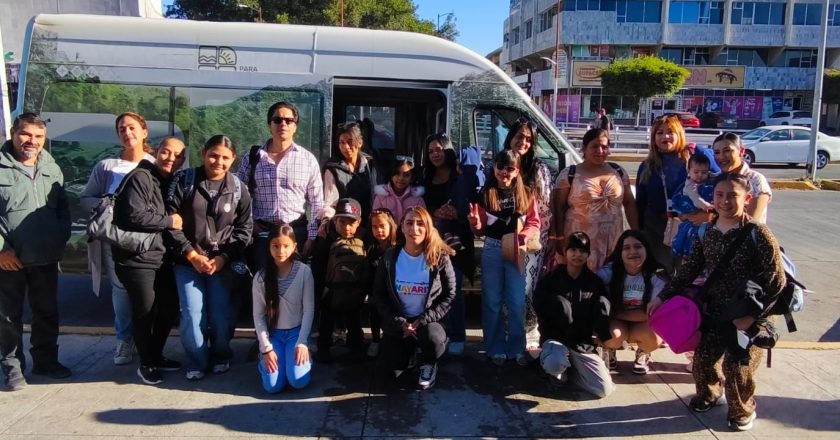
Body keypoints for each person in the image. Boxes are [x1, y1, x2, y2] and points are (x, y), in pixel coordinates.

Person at [649, 173, 786, 432]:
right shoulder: (705, 232)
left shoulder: (758, 234)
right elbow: (688, 272)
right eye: (720, 195)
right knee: (702, 362)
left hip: (750, 313)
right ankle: (711, 395)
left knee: (735, 366)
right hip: (716, 311)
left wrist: (753, 319)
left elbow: (776, 283)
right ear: (712, 198)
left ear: (746, 199)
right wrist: (661, 297)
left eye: (732, 196)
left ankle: (743, 408)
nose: (725, 201)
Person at [166, 135, 253, 380]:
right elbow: (170, 223)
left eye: (225, 158)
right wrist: (191, 255)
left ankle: (222, 354)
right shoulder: (184, 181)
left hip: (221, 263)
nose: (219, 161)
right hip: (188, 261)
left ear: (233, 159)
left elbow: (245, 230)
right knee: (193, 314)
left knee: (220, 314)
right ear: (204, 153)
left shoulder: (238, 188)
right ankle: (197, 360)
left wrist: (224, 258)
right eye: (214, 155)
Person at [0, 113, 72, 391]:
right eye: (26, 134)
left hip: (45, 256)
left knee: (47, 311)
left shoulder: (51, 168)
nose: (32, 141)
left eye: (38, 137)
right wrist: (2, 251)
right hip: (10, 260)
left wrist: (60, 237)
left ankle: (46, 361)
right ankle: (12, 366)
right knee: (9, 316)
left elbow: (63, 208)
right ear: (13, 133)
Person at [81, 112, 156, 366]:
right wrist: (106, 205)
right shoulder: (106, 167)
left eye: (132, 128)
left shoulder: (155, 165)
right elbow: (86, 198)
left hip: (147, 240)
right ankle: (124, 340)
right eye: (122, 129)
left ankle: (148, 339)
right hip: (115, 239)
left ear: (144, 132)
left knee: (148, 292)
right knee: (121, 290)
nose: (127, 133)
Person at [112, 137, 186, 385]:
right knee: (144, 311)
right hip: (136, 258)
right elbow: (133, 215)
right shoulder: (140, 177)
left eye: (177, 155)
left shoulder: (166, 181)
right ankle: (147, 363)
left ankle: (155, 354)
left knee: (168, 307)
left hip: (159, 256)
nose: (170, 158)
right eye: (166, 152)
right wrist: (170, 221)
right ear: (157, 152)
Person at [468, 150, 540, 366]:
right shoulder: (484, 194)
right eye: (501, 167)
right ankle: (495, 346)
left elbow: (534, 222)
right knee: (492, 301)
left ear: (517, 171)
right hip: (492, 248)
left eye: (510, 168)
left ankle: (516, 347)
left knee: (517, 301)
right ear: (494, 168)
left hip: (517, 248)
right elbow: (479, 231)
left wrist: (524, 236)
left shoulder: (526, 193)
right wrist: (474, 223)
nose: (504, 172)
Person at [372, 206, 456, 390]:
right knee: (388, 369)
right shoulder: (390, 256)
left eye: (420, 224)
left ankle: (429, 362)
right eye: (409, 223)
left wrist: (423, 320)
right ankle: (409, 351)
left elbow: (450, 295)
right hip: (400, 322)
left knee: (433, 340)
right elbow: (379, 295)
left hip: (427, 322)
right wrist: (399, 322)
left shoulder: (439, 256)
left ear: (428, 228)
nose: (414, 229)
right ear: (401, 227)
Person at [236, 101, 324, 269]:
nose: (283, 124)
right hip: (262, 235)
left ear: (295, 126)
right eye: (277, 120)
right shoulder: (254, 157)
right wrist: (249, 223)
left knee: (293, 287)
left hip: (295, 233)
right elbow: (238, 194)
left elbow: (317, 201)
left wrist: (311, 237)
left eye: (288, 120)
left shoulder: (307, 159)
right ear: (270, 125)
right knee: (262, 286)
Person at [533, 232, 614, 398]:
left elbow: (602, 314)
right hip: (555, 339)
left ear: (588, 254)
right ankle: (554, 369)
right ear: (565, 251)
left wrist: (602, 334)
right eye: (573, 250)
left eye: (582, 251)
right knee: (555, 363)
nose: (577, 255)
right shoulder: (551, 280)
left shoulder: (594, 282)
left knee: (603, 389)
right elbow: (538, 307)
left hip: (582, 344)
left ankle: (573, 372)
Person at [635, 115, 719, 274]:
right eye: (659, 133)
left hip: (694, 224)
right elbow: (640, 202)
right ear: (653, 138)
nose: (665, 136)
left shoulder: (696, 154)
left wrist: (710, 215)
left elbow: (721, 185)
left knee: (690, 273)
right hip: (658, 229)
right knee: (663, 275)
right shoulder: (646, 166)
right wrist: (639, 233)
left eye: (670, 132)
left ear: (679, 133)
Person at [422, 133, 478, 355]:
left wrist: (458, 213)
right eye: (431, 151)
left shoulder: (461, 176)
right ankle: (436, 333)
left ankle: (457, 335)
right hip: (432, 240)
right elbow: (418, 204)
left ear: (448, 150)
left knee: (452, 288)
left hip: (456, 241)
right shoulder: (425, 176)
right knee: (431, 289)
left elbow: (474, 202)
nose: (435, 154)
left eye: (439, 149)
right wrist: (435, 212)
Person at [552, 128, 638, 272]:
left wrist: (636, 234)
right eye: (595, 146)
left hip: (612, 241)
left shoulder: (619, 172)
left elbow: (629, 203)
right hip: (578, 242)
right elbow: (558, 208)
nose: (600, 151)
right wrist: (558, 238)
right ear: (584, 148)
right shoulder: (569, 174)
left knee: (610, 282)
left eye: (604, 147)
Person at [502, 118, 553, 355]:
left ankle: (528, 336)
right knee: (505, 288)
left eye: (528, 139)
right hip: (503, 238)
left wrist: (538, 237)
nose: (523, 142)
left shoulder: (538, 169)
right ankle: (507, 336)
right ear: (510, 136)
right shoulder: (501, 162)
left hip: (531, 241)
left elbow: (545, 208)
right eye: (519, 136)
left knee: (526, 289)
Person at [253, 224, 314, 393]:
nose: (281, 251)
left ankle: (307, 358)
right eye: (276, 246)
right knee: (273, 386)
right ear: (269, 247)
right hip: (274, 335)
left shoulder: (304, 272)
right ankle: (264, 363)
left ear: (294, 246)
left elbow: (309, 310)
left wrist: (302, 342)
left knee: (297, 381)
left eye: (286, 246)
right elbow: (258, 316)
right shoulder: (260, 277)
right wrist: (266, 349)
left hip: (296, 333)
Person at [597, 230, 667, 375]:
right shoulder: (608, 271)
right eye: (627, 248)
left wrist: (616, 312)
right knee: (613, 336)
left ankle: (644, 352)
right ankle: (610, 350)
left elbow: (652, 313)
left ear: (646, 249)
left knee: (654, 339)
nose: (633, 251)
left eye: (638, 246)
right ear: (620, 252)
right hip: (616, 322)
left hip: (640, 322)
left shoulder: (657, 273)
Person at [312, 198, 369, 362]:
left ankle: (356, 348)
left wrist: (364, 289)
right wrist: (320, 288)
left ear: (358, 222)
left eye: (351, 223)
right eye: (342, 222)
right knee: (327, 320)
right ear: (334, 220)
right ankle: (323, 348)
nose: (346, 227)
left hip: (354, 290)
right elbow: (318, 264)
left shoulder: (364, 237)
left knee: (353, 319)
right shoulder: (325, 236)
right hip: (331, 289)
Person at [322, 121, 378, 223]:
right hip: (344, 225)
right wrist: (326, 221)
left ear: (360, 142)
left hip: (367, 224)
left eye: (350, 141)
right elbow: (329, 203)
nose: (346, 147)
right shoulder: (333, 168)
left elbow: (375, 196)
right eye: (342, 142)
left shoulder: (369, 164)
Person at [711, 132, 771, 224]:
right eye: (717, 152)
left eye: (727, 151)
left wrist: (710, 218)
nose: (721, 157)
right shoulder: (714, 179)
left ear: (741, 151)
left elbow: (751, 221)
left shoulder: (755, 180)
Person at [366, 208, 398, 357]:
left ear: (390, 226)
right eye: (374, 227)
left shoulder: (397, 247)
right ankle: (375, 340)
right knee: (374, 309)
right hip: (375, 290)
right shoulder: (371, 247)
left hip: (394, 290)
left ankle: (390, 339)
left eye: (382, 226)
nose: (379, 230)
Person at [670, 153, 716, 258]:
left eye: (704, 172)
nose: (700, 175)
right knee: (690, 237)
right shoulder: (689, 185)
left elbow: (715, 175)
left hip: (706, 221)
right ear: (689, 171)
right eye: (696, 172)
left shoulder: (709, 180)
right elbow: (695, 198)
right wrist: (706, 206)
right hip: (693, 213)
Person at [372, 156, 425, 223]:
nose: (401, 178)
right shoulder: (380, 197)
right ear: (391, 175)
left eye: (406, 175)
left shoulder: (418, 199)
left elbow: (423, 223)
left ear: (412, 178)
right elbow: (375, 221)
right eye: (397, 174)